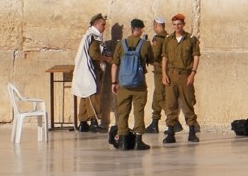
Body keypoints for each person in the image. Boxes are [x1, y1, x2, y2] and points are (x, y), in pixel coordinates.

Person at [111, 19, 154, 151]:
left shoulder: (121, 44)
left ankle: (123, 142)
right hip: (139, 85)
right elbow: (151, 59)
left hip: (124, 84)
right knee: (138, 111)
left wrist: (114, 82)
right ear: (141, 30)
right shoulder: (145, 44)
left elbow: (114, 65)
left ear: (131, 29)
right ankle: (138, 141)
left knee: (123, 112)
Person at [161, 13, 202, 144]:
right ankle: (170, 132)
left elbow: (196, 56)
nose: (177, 27)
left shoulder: (191, 39)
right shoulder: (168, 39)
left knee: (188, 102)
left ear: (183, 24)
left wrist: (193, 73)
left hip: (185, 75)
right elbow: (164, 57)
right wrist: (164, 74)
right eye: (174, 24)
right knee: (170, 104)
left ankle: (192, 131)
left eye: (179, 24)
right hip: (171, 74)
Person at [72, 13, 109, 133]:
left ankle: (83, 123)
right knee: (94, 95)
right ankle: (94, 121)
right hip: (91, 70)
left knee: (85, 95)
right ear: (96, 24)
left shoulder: (87, 36)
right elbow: (94, 54)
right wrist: (106, 59)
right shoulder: (94, 37)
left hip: (84, 70)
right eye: (103, 25)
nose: (104, 27)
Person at [144, 18, 174, 136]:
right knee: (157, 96)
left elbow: (155, 56)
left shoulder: (157, 38)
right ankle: (154, 123)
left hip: (159, 71)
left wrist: (147, 52)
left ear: (156, 26)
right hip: (167, 70)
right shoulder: (169, 38)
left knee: (160, 96)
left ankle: (173, 121)